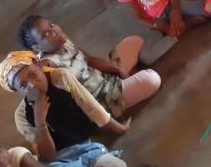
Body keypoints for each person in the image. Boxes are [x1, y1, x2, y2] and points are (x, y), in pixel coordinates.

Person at [0, 51, 128, 167]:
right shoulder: (22, 115)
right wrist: (40, 121)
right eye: (23, 85)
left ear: (39, 66)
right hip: (57, 163)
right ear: (17, 91)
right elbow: (48, 156)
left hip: (84, 149)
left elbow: (91, 106)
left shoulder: (61, 78)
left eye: (33, 74)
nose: (32, 84)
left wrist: (119, 128)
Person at [17, 15, 161, 117]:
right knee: (152, 79)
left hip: (105, 78)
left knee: (133, 41)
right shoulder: (49, 66)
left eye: (51, 24)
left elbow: (89, 59)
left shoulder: (63, 42)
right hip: (105, 99)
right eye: (46, 34)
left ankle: (129, 81)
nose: (54, 31)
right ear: (36, 48)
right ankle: (130, 85)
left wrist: (118, 69)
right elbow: (79, 102)